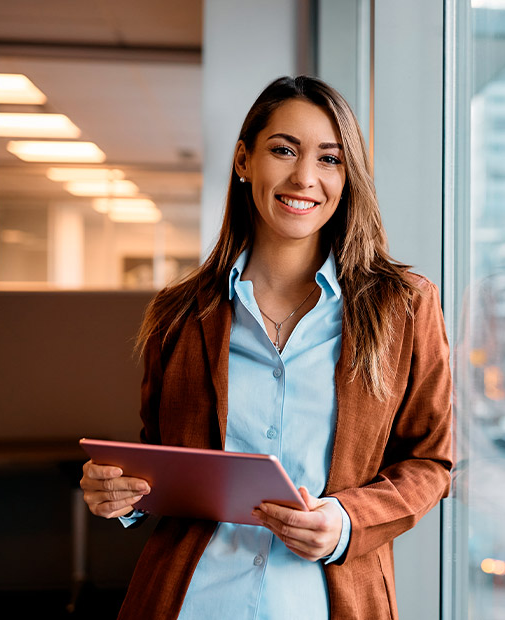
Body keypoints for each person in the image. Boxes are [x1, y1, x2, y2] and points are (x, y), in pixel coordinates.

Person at [79, 75, 453, 620]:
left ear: (348, 179)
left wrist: (347, 521)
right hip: (191, 601)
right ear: (243, 160)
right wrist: (119, 494)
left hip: (330, 601)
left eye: (330, 160)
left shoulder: (404, 306)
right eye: (283, 150)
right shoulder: (180, 314)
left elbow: (431, 460)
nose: (305, 177)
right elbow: (162, 455)